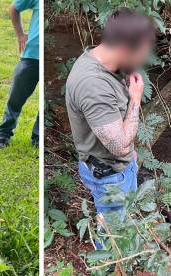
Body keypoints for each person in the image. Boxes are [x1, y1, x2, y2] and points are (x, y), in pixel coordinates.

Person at [65, 8, 155, 221]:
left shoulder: (105, 61)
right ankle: (108, 254)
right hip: (109, 177)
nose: (144, 59)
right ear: (124, 48)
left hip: (119, 167)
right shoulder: (93, 85)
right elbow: (119, 145)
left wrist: (129, 159)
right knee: (112, 236)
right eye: (142, 52)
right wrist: (135, 99)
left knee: (123, 221)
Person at [0, 0, 39, 148]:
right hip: (31, 57)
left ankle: (38, 140)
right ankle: (3, 135)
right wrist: (20, 34)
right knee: (15, 97)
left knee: (46, 104)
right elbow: (14, 8)